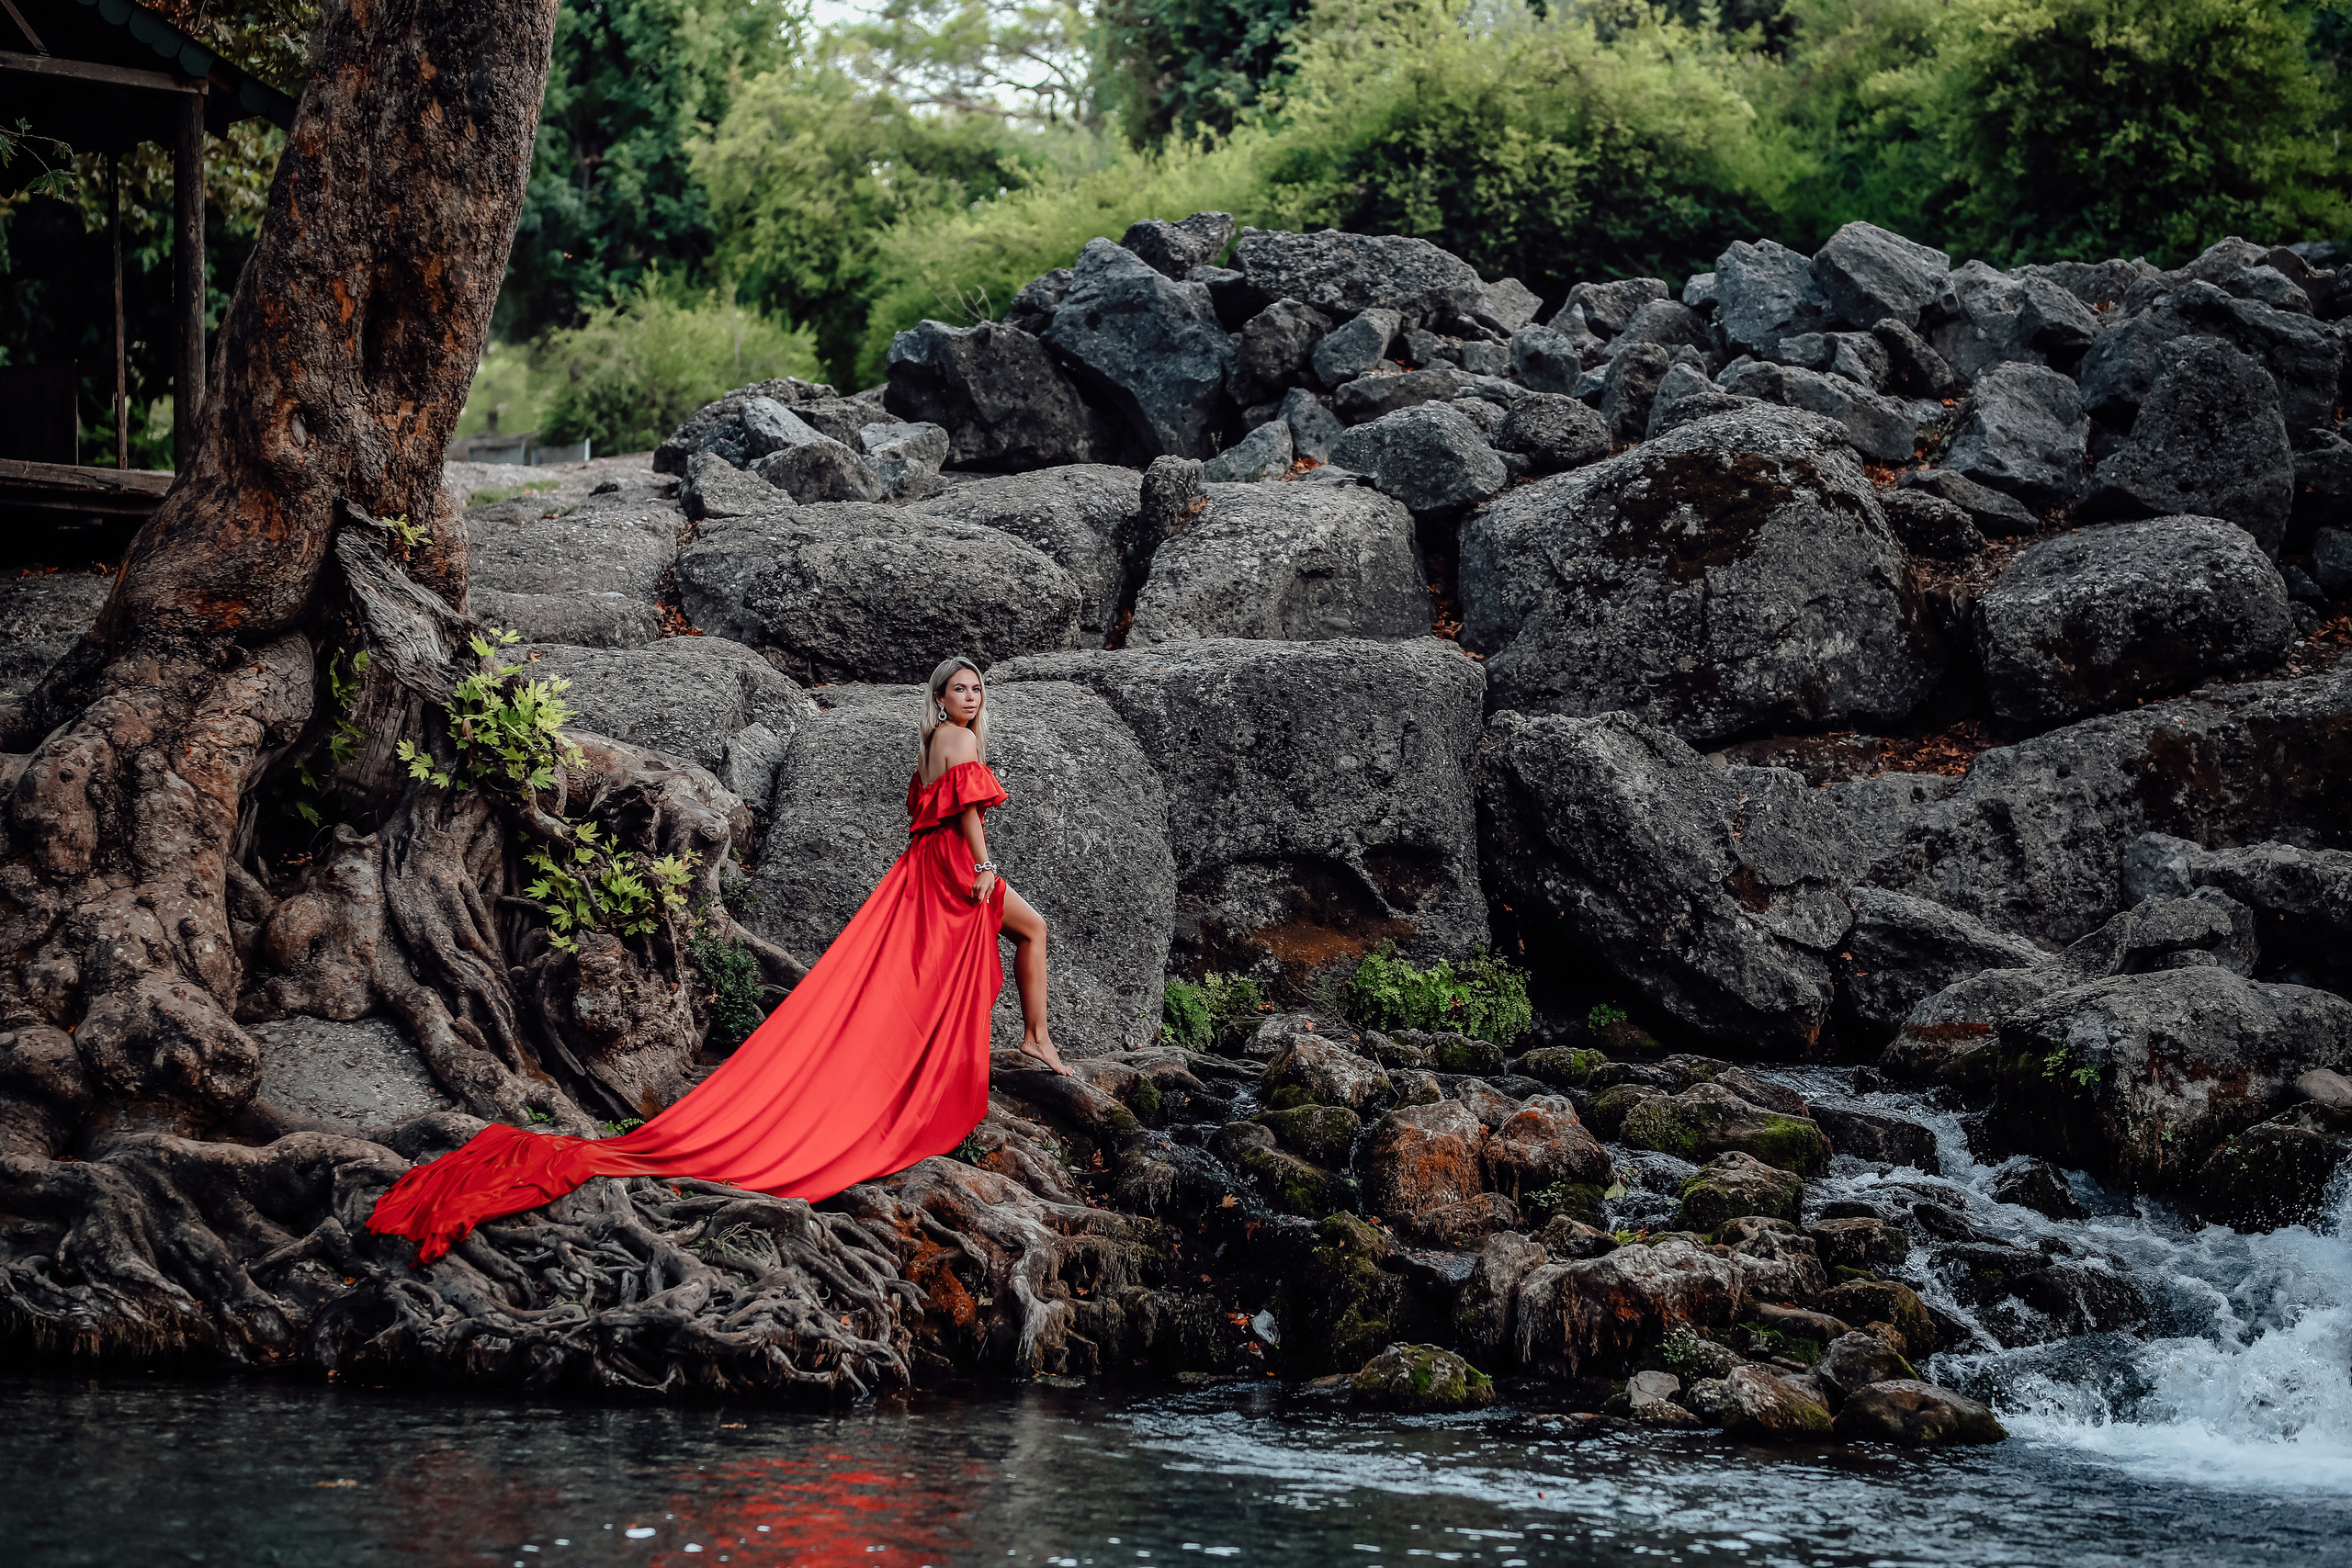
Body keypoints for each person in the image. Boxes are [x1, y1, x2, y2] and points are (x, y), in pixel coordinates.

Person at [366, 654, 1068, 1265]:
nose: (970, 698)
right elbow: (969, 816)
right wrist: (985, 865)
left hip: (923, 869)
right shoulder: (956, 740)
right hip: (952, 870)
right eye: (960, 689)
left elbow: (934, 809)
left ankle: (1018, 1041)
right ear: (941, 698)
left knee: (939, 968)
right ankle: (1036, 1040)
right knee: (1030, 930)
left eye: (977, 690)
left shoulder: (932, 745)